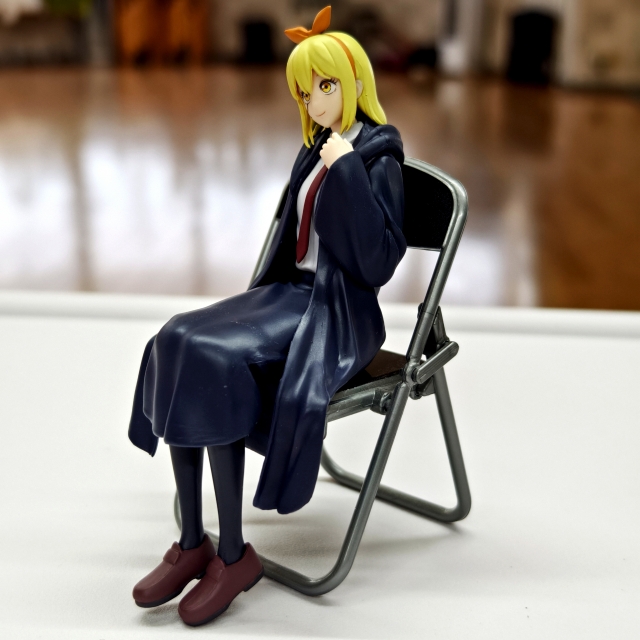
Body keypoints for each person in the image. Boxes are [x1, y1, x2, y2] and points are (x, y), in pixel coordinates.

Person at [127, 6, 406, 627]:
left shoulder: (377, 158)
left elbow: (379, 262)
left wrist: (349, 170)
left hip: (335, 306)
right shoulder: (314, 149)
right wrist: (329, 161)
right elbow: (292, 236)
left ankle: (234, 556)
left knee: (216, 358)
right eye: (305, 92)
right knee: (177, 336)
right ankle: (193, 542)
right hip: (285, 292)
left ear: (354, 81)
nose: (315, 101)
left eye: (325, 86)